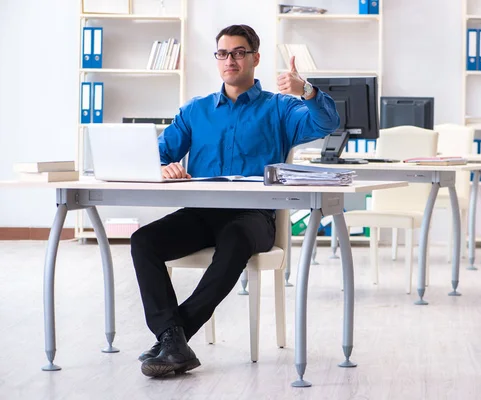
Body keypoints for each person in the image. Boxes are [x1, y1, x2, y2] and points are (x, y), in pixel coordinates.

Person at [130, 24, 340, 378]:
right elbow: (158, 154)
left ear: (255, 58)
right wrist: (164, 166)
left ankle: (173, 336)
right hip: (201, 213)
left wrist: (307, 91)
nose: (231, 60)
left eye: (239, 52)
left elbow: (327, 123)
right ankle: (172, 340)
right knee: (143, 241)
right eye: (223, 53)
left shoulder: (280, 108)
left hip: (253, 216)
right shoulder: (195, 111)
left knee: (235, 237)